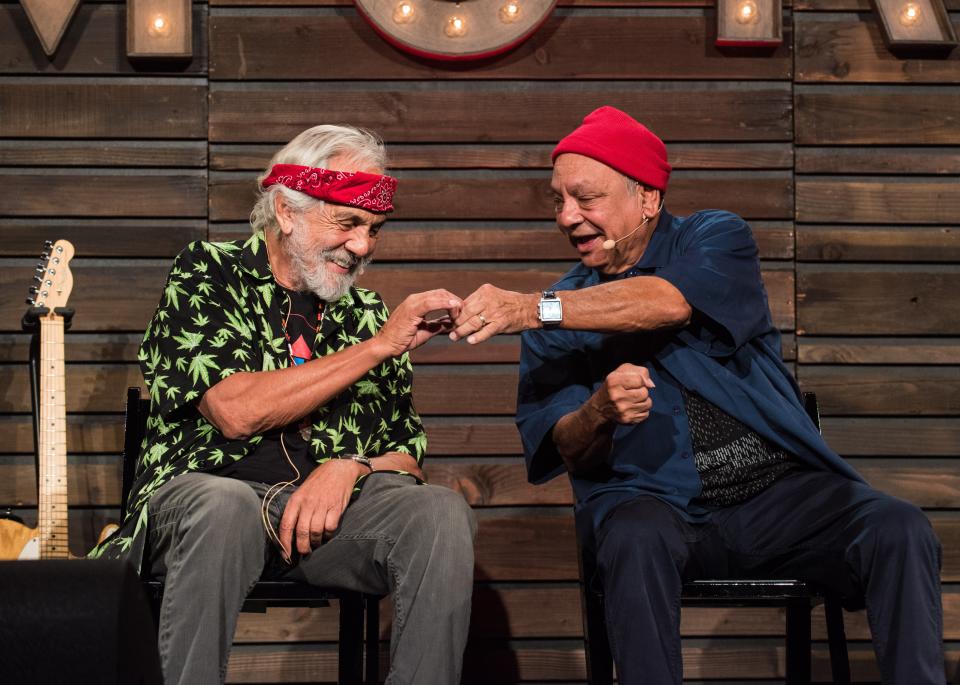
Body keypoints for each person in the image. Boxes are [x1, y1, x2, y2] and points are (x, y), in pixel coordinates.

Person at [448, 106, 944, 684]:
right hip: (654, 506)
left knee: (898, 528)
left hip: (776, 498)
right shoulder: (555, 309)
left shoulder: (713, 238)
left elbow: (667, 301)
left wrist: (533, 308)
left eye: (585, 197)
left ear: (648, 198)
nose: (567, 216)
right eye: (557, 200)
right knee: (631, 538)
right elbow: (566, 449)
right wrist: (598, 412)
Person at [91, 124, 476, 685]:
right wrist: (377, 349)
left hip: (316, 523)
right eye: (347, 223)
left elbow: (407, 455)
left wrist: (351, 467)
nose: (363, 246)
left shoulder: (366, 312)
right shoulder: (209, 272)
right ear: (286, 210)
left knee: (440, 513)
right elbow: (235, 411)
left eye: (373, 229)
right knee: (225, 506)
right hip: (205, 504)